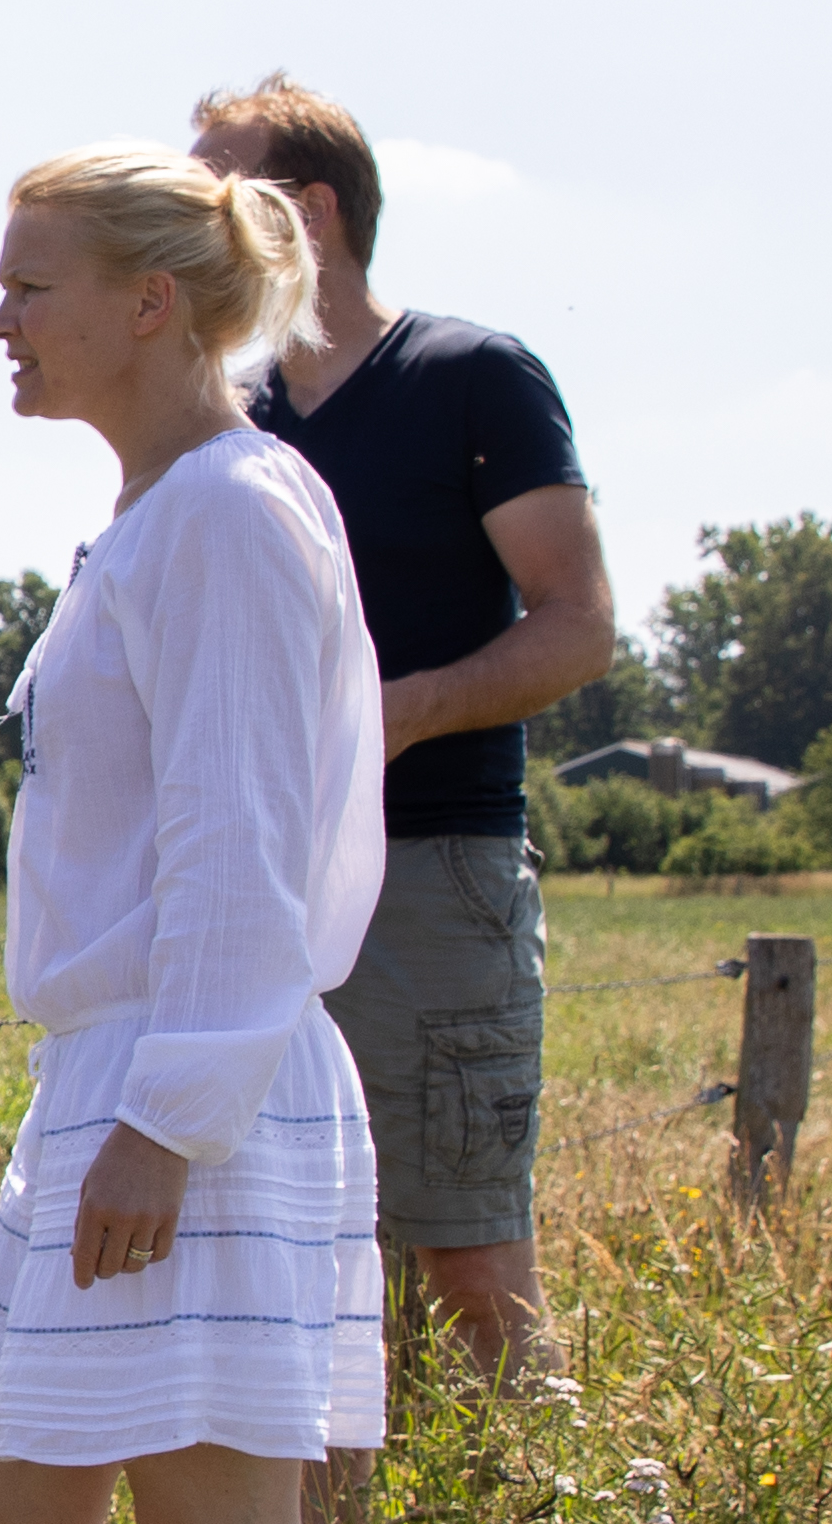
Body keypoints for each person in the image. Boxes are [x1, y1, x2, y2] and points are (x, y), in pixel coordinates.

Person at [0, 144, 384, 1524]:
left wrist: (170, 1120)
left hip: (192, 1086)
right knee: (5, 1504)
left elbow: (243, 844)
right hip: (121, 1079)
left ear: (147, 303)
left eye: (29, 284)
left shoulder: (227, 512)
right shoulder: (155, 519)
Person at [185, 79, 609, 1387]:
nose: (182, 220)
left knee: (468, 1260)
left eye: (214, 190)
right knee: (299, 1252)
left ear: (306, 214)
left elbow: (577, 625)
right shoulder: (233, 423)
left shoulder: (472, 379)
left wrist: (401, 717)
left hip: (434, 873)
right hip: (266, 889)